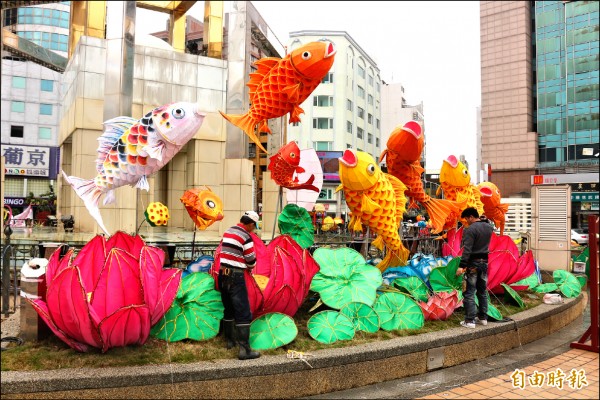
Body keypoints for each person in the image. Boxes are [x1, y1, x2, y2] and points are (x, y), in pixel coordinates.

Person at [218, 211, 261, 360]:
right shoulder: (246, 237)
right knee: (242, 312)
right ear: (250, 224)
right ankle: (245, 350)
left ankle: (230, 341)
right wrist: (251, 267)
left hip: (223, 273)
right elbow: (250, 259)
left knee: (228, 308)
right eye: (254, 226)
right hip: (236, 275)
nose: (254, 229)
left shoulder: (229, 230)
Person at [456, 207, 494, 329]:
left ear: (471, 217)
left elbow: (467, 250)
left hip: (473, 263)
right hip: (485, 262)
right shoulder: (488, 227)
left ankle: (470, 320)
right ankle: (483, 318)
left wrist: (461, 266)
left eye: (467, 219)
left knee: (469, 292)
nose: (467, 221)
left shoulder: (470, 230)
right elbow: (487, 223)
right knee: (482, 291)